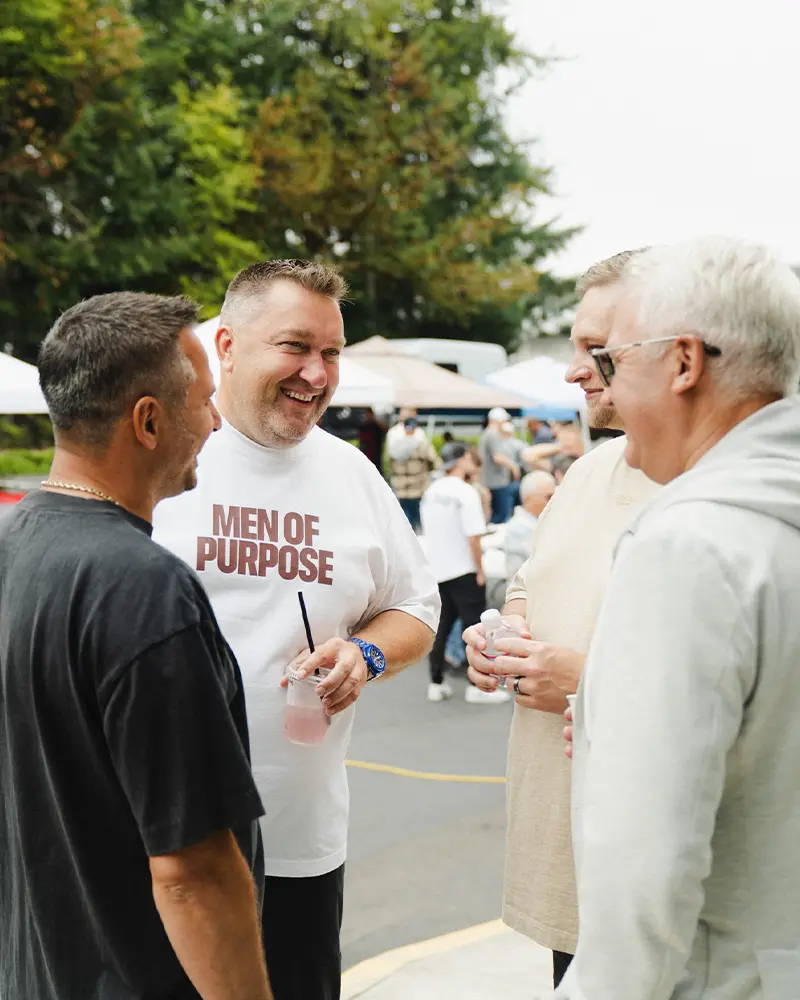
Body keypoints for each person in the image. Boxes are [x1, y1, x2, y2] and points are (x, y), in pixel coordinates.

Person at [153, 260, 439, 1000]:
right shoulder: (162, 461)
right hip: (161, 846)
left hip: (300, 847)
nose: (316, 373)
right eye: (294, 346)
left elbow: (417, 605)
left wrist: (366, 653)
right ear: (225, 344)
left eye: (332, 353)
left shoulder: (351, 473)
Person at [0, 292, 271, 1000]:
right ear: (148, 420)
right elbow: (193, 871)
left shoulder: (14, 546)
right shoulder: (143, 589)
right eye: (205, 401)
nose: (216, 422)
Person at [555, 237, 800, 1000]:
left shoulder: (687, 547)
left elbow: (644, 871)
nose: (607, 392)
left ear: (684, 362)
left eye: (614, 363)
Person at [463, 248, 659, 989]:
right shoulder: (588, 471)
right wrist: (499, 635)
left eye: (594, 349)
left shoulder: (727, 496)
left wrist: (587, 680)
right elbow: (530, 584)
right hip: (569, 865)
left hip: (656, 886)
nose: (573, 370)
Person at [421, 442, 510, 706]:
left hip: (438, 569)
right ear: (460, 461)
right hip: (463, 568)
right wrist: (480, 570)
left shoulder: (431, 490)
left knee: (442, 626)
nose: (474, 462)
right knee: (476, 628)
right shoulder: (465, 492)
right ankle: (477, 685)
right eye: (470, 458)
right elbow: (474, 537)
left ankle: (436, 682)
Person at [502, 470, 556, 583]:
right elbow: (517, 578)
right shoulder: (518, 529)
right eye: (549, 497)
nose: (554, 501)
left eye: (556, 495)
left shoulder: (548, 520)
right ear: (528, 499)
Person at [388, 416, 441, 530]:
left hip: (401, 489)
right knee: (420, 522)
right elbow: (435, 462)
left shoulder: (395, 446)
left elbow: (390, 464)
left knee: (404, 522)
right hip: (418, 488)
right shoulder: (421, 445)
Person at [478, 406, 520, 523]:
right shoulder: (492, 434)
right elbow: (497, 457)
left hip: (490, 481)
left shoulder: (487, 434)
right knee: (501, 516)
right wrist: (513, 466)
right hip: (496, 482)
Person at [357, 407, 388, 472]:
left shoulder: (376, 425)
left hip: (375, 454)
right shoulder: (364, 426)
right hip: (366, 453)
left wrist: (374, 420)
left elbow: (385, 429)